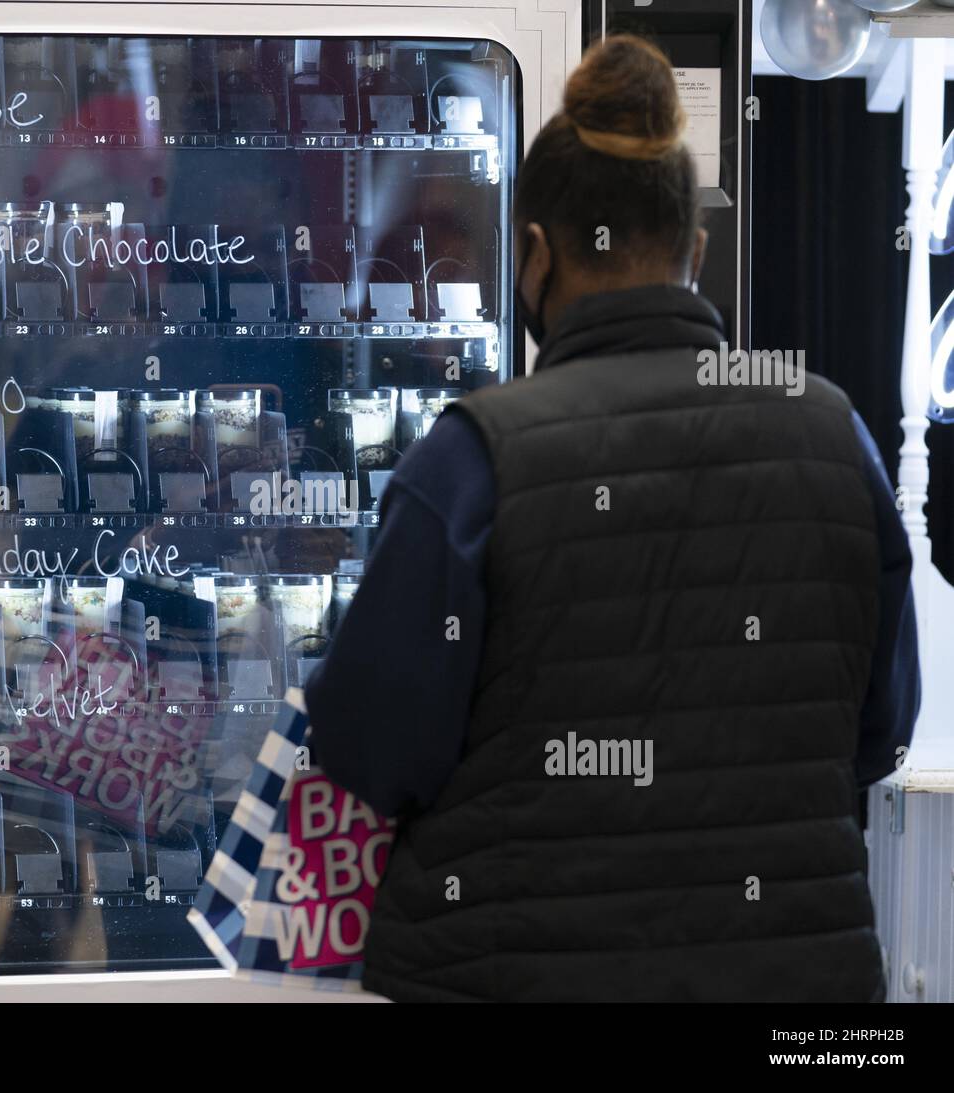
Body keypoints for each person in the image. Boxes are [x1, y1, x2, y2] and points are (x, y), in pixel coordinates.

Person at [305, 35, 920, 1003]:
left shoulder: (474, 456)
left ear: (537, 251)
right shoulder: (831, 429)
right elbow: (878, 731)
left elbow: (366, 748)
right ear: (695, 252)